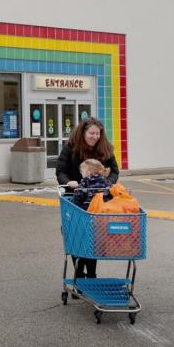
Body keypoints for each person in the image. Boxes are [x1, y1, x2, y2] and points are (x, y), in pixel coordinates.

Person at [56, 117, 120, 279]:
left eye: (98, 134)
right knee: (75, 235)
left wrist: (107, 183)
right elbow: (60, 170)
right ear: (83, 132)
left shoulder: (105, 149)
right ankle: (78, 273)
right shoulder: (71, 148)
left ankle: (91, 275)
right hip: (74, 198)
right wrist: (68, 182)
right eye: (91, 133)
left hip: (97, 199)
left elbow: (114, 171)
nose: (95, 137)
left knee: (93, 237)